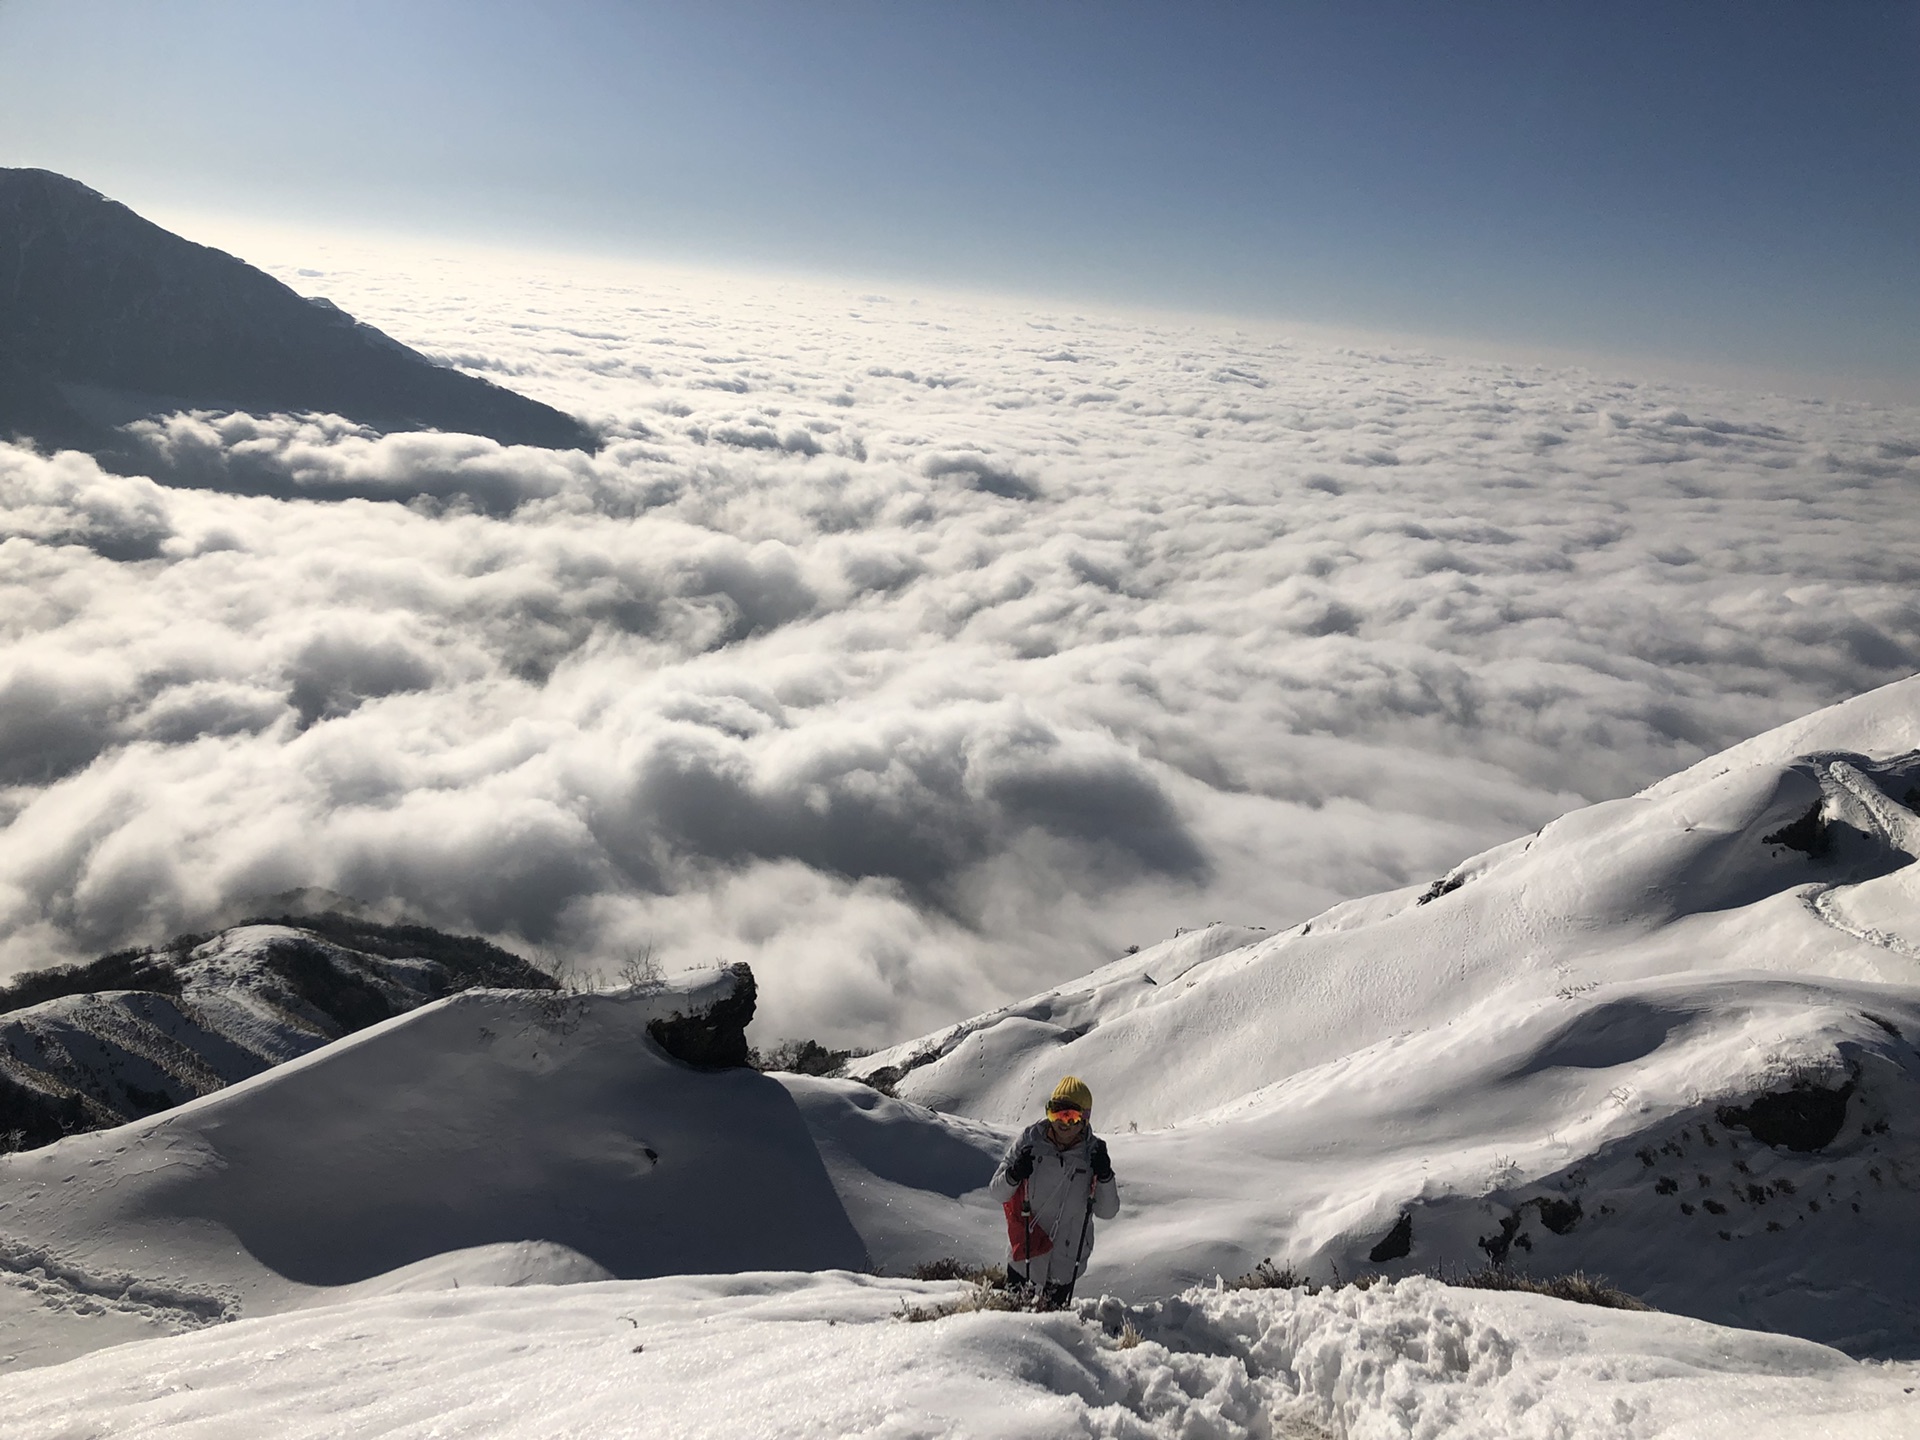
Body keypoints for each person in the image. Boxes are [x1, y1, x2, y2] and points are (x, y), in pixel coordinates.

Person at [988, 1075, 1119, 1307]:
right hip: (1025, 1257)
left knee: (1052, 1332)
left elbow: (1107, 1211)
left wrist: (1106, 1176)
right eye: (1057, 1114)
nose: (1063, 1123)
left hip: (1066, 1262)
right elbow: (997, 1192)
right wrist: (1014, 1174)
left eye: (1072, 1116)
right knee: (1012, 1324)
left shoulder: (1094, 1154)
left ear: (1085, 1119)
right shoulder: (1029, 1142)